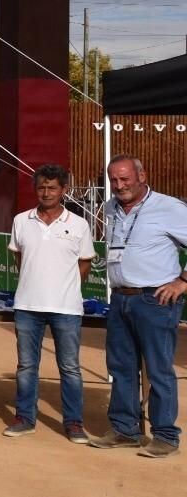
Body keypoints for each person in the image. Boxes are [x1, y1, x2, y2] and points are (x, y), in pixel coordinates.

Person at [89, 155, 187, 457]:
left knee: (158, 369)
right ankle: (125, 430)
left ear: (141, 175)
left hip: (155, 300)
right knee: (121, 368)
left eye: (125, 179)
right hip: (120, 299)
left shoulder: (169, 208)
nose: (119, 186)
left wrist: (182, 282)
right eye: (114, 180)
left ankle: (166, 436)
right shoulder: (110, 208)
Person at [2, 164, 95, 443]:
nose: (46, 192)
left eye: (52, 187)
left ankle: (74, 423)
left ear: (63, 190)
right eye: (41, 187)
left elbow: (85, 264)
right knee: (26, 366)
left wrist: (62, 289)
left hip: (66, 308)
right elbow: (20, 259)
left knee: (69, 368)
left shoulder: (79, 224)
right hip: (28, 306)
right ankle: (25, 418)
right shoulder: (21, 220)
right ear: (36, 188)